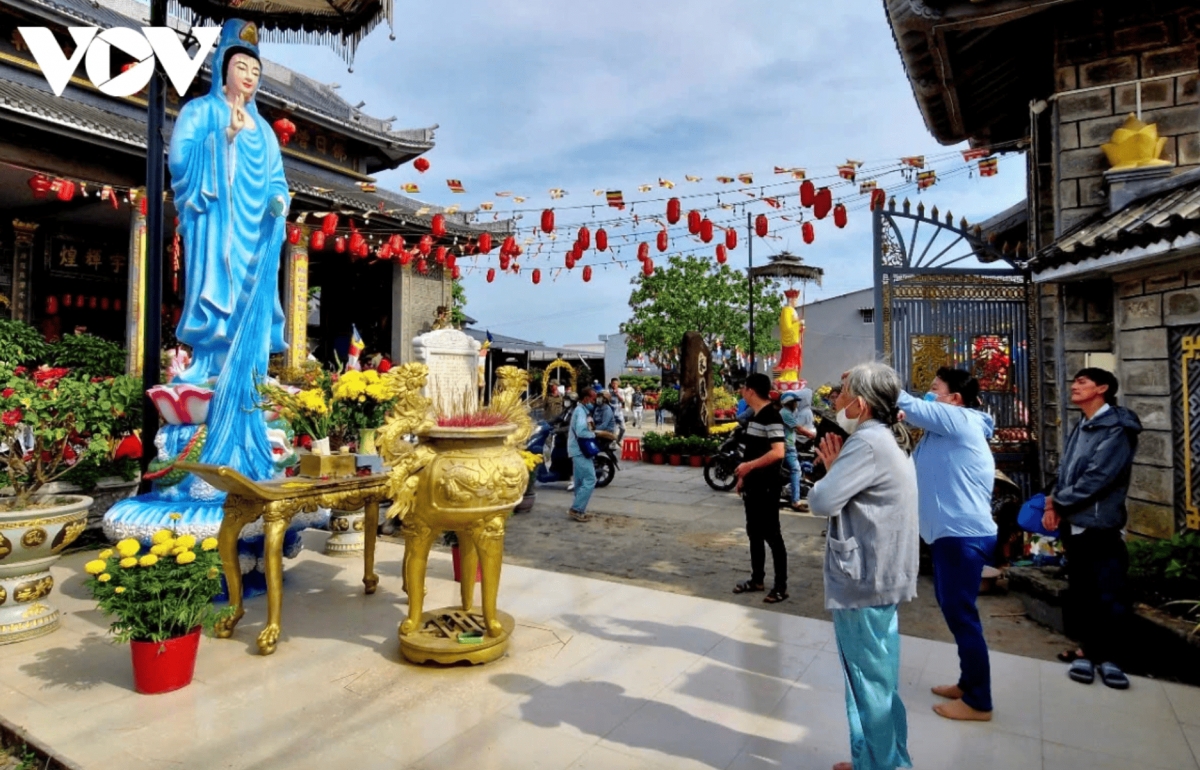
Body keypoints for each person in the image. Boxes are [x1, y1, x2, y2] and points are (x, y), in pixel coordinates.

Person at [168, 18, 289, 480]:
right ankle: (210, 365)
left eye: (256, 72)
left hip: (253, 237)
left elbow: (277, 181)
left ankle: (249, 373)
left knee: (250, 302)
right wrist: (226, 139)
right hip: (216, 230)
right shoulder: (201, 112)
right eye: (242, 67)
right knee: (216, 293)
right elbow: (180, 161)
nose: (250, 77)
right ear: (223, 68)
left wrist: (279, 201)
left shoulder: (265, 130)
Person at [807, 363, 918, 770]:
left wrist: (832, 471)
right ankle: (874, 757)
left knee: (869, 682)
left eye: (841, 393)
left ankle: (885, 765)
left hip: (866, 576)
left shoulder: (867, 443)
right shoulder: (883, 438)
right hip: (878, 571)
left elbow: (820, 501)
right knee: (873, 679)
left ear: (861, 404)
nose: (835, 401)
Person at [897, 367, 998, 722]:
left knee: (962, 617)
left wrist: (869, 377)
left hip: (961, 535)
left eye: (934, 389)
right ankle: (968, 683)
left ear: (954, 398)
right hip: (949, 535)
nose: (928, 394)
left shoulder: (959, 421)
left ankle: (979, 702)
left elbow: (902, 401)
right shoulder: (942, 432)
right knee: (957, 614)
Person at [1043, 368, 1141, 690]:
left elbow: (1099, 478)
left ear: (1102, 388)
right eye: (1074, 381)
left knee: (1108, 593)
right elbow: (1067, 470)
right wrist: (1054, 501)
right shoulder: (1082, 424)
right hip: (1077, 524)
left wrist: (1059, 502)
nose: (1074, 386)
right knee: (1083, 590)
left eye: (1082, 382)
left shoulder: (1117, 429)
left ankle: (1112, 659)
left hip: (1100, 524)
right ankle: (1087, 652)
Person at [731, 373, 789, 604]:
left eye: (743, 388)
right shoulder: (755, 416)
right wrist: (743, 477)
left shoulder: (771, 416)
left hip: (767, 486)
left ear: (751, 391)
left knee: (772, 535)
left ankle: (781, 586)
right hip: (753, 485)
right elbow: (752, 452)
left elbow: (778, 452)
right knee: (754, 533)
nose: (741, 392)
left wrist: (748, 466)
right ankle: (757, 579)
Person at [566, 387, 599, 522]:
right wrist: (593, 434)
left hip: (577, 450)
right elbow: (581, 431)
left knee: (580, 482)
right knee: (591, 479)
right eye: (593, 398)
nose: (594, 401)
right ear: (586, 398)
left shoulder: (583, 411)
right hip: (580, 450)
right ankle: (576, 509)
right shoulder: (580, 412)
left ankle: (579, 510)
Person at [780, 389, 817, 511]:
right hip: (788, 447)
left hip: (789, 445)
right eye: (795, 402)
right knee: (796, 470)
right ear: (790, 402)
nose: (797, 404)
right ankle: (795, 501)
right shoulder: (785, 413)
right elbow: (798, 428)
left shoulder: (789, 413)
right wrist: (811, 435)